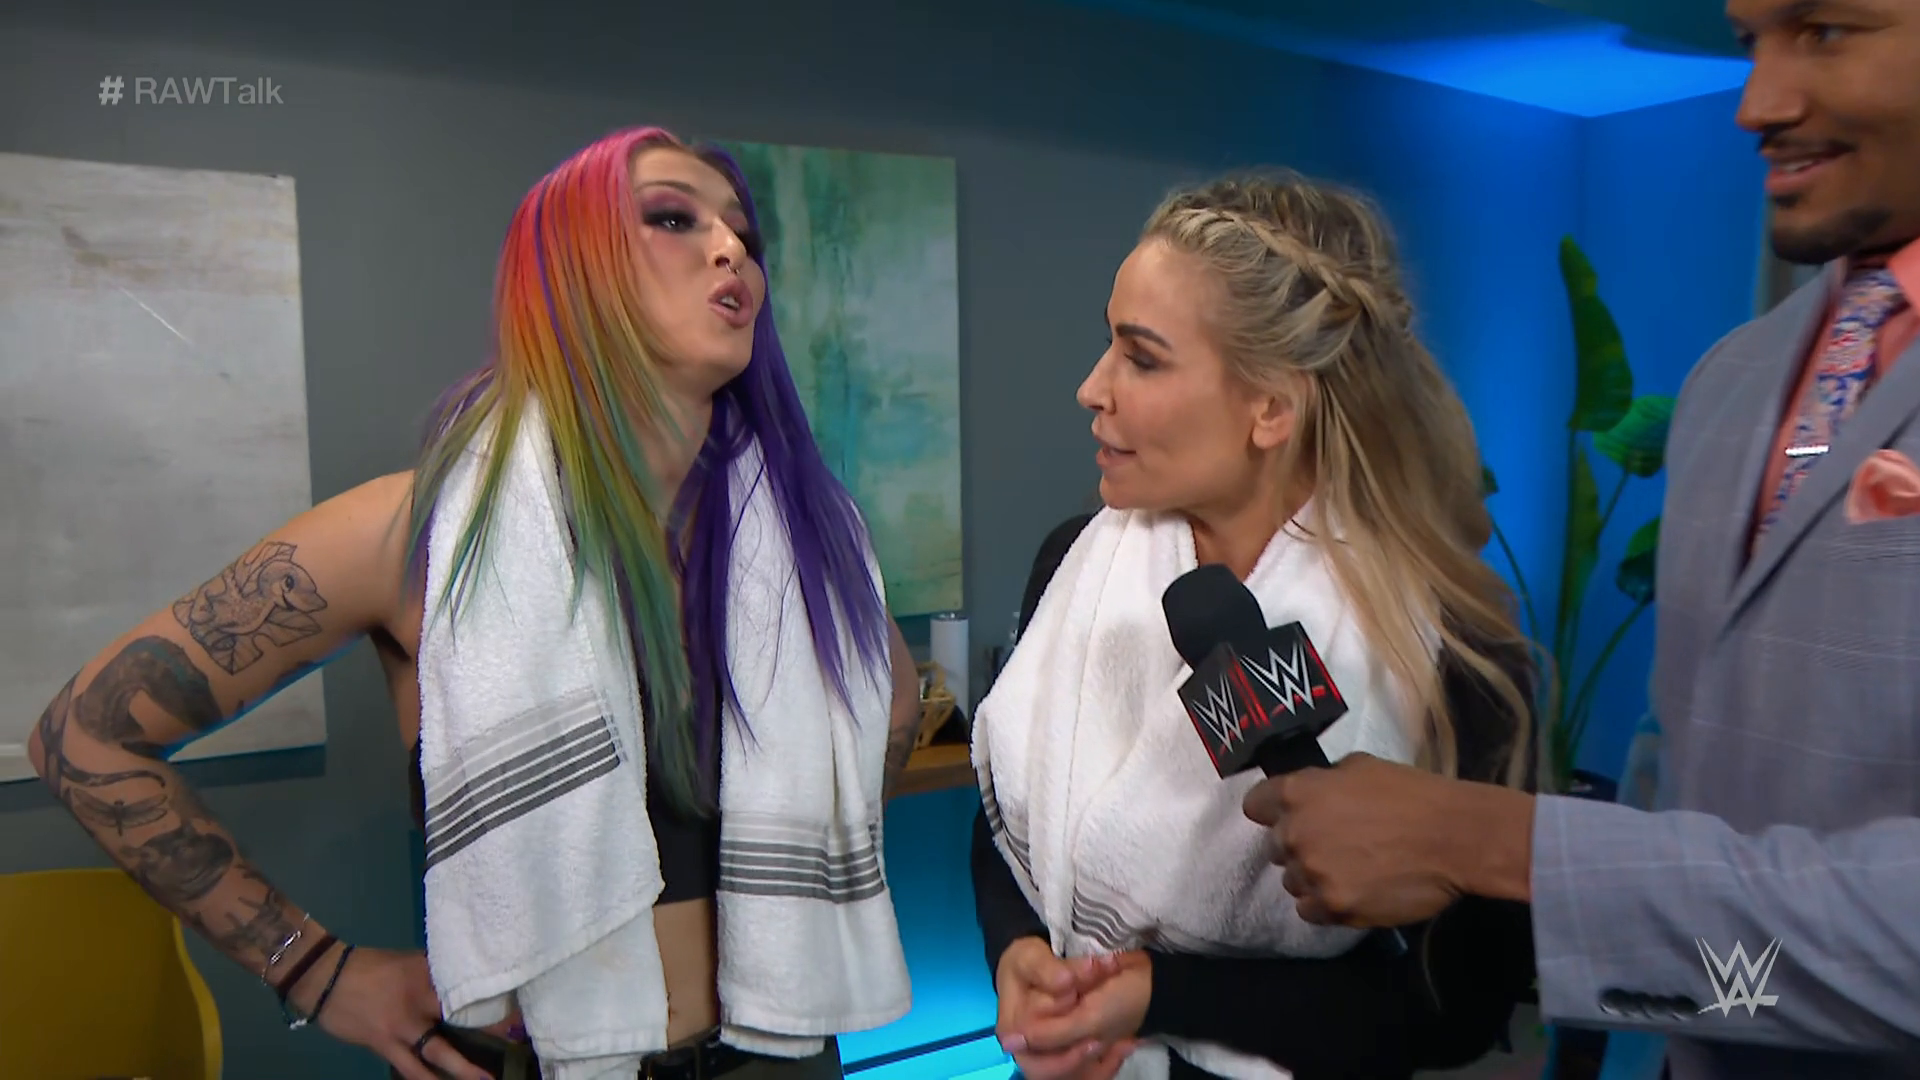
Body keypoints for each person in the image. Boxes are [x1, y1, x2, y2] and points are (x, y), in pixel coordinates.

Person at [26, 126, 925, 1080]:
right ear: (570, 267)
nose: (731, 248)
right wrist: (315, 969)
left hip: (778, 1050)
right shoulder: (418, 533)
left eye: (745, 233)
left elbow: (894, 707)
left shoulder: (808, 539)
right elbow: (84, 736)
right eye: (673, 218)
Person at [1241, 2, 1920, 1078]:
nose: (1757, 103)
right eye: (1750, 41)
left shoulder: (1445, 624)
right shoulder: (1731, 383)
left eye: (1826, 31)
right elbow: (1683, 778)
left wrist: (1489, 843)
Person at [970, 172, 1539, 1080]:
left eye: (1141, 358)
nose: (1091, 388)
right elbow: (1009, 818)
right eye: (1107, 345)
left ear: (1271, 406)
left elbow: (1456, 1007)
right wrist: (1019, 954)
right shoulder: (1074, 561)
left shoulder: (1449, 646)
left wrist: (1164, 993)